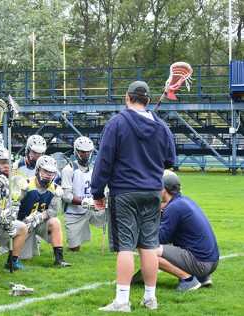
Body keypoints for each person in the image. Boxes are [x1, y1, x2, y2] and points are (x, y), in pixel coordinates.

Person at [91, 80, 176, 312]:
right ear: (148, 101)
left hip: (125, 192)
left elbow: (104, 161)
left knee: (125, 247)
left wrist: (97, 192)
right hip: (152, 193)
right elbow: (170, 161)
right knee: (149, 246)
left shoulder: (117, 123)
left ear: (127, 97)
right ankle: (150, 298)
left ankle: (122, 301)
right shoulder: (161, 127)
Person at [157, 172, 219, 290]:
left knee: (150, 252)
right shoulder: (186, 201)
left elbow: (160, 239)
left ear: (164, 190)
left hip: (201, 263)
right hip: (213, 262)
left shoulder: (173, 207)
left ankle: (188, 280)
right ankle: (203, 278)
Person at [15, 155, 71, 267]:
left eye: (51, 172)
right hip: (23, 225)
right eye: (46, 171)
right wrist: (21, 222)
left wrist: (40, 216)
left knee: (55, 222)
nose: (48, 175)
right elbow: (15, 206)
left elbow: (54, 211)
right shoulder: (25, 184)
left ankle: (59, 259)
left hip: (39, 222)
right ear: (38, 169)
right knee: (26, 259)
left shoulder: (55, 189)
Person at [0, 146, 28, 272]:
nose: (6, 166)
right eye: (3, 163)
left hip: (0, 224)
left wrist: (7, 217)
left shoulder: (8, 181)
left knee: (22, 228)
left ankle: (12, 261)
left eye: (8, 162)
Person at [61, 136, 105, 252]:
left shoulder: (94, 169)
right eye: (83, 152)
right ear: (76, 152)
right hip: (74, 213)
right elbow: (66, 196)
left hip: (93, 209)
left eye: (88, 151)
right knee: (74, 249)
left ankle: (125, 246)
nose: (86, 154)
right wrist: (85, 202)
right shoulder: (68, 169)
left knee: (116, 213)